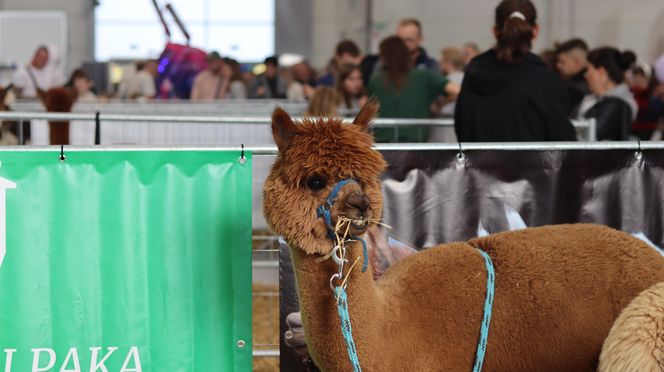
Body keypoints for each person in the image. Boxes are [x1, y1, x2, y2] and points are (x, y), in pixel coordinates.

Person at [454, 0, 576, 142]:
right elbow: (562, 139)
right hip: (533, 164)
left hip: (478, 163)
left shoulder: (473, 72)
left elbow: (461, 126)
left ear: (495, 31)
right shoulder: (545, 80)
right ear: (535, 31)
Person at [368, 36, 459, 142]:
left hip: (384, 143)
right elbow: (456, 90)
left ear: (384, 56)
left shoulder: (376, 79)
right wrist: (441, 103)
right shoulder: (424, 76)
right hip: (416, 143)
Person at [581, 47, 638, 141]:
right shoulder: (592, 98)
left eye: (588, 70)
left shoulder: (620, 104)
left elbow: (589, 136)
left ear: (601, 73)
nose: (585, 75)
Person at [556, 38, 590, 116]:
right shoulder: (577, 85)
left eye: (562, 62)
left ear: (576, 62)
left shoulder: (575, 89)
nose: (558, 66)